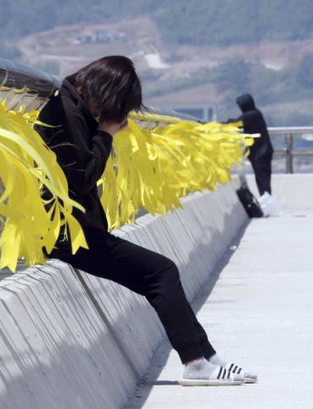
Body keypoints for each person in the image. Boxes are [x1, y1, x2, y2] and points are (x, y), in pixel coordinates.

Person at [36, 56, 257, 386]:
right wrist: (106, 134)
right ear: (106, 91)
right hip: (67, 236)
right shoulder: (64, 114)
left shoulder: (72, 107)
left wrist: (101, 130)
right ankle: (196, 363)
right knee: (161, 271)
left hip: (77, 230)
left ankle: (206, 356)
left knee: (159, 278)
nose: (114, 114)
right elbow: (81, 178)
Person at [229, 94, 274, 196]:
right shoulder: (256, 113)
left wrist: (212, 125)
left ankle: (266, 200)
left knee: (262, 180)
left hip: (260, 153)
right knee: (263, 179)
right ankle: (266, 199)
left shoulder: (250, 115)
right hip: (264, 152)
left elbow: (235, 123)